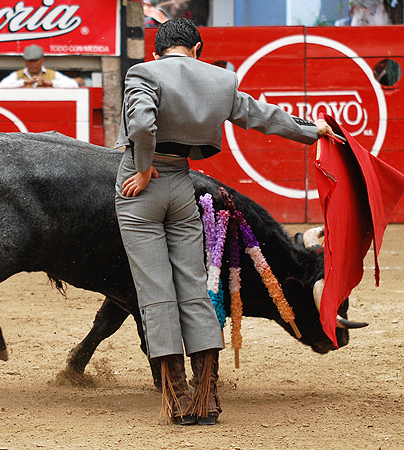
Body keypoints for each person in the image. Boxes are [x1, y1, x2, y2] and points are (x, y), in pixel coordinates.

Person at [114, 18, 333, 426]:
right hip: (184, 184)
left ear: (156, 51)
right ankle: (208, 396)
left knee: (156, 289)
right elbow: (265, 117)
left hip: (140, 187)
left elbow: (142, 125)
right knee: (194, 288)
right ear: (197, 48)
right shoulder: (222, 80)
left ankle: (178, 399)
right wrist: (312, 131)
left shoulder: (142, 72)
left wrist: (142, 169)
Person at [0, 45, 79, 89]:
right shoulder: (18, 74)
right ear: (25, 62)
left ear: (42, 60)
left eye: (35, 61)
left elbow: (74, 84)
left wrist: (51, 83)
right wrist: (24, 82)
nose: (33, 64)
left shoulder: (52, 74)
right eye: (30, 61)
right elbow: (2, 85)